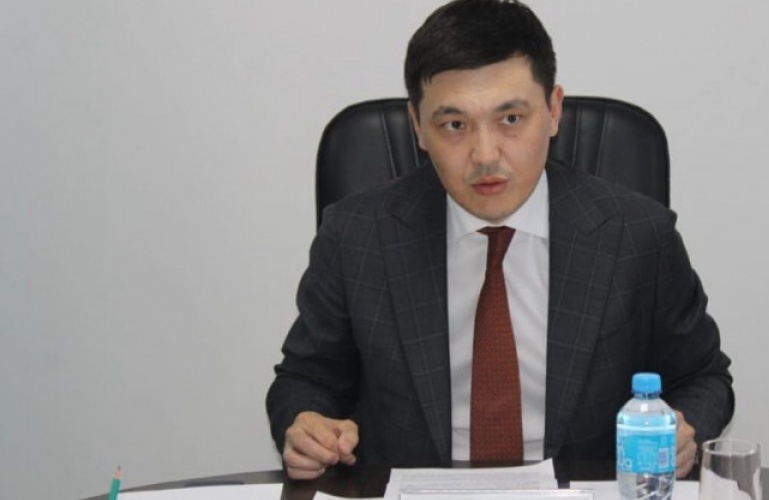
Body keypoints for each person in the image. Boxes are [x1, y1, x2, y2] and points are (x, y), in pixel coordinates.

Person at [266, 0, 733, 481]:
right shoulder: (356, 237)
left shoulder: (638, 235)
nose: (485, 155)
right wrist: (305, 425)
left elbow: (702, 377)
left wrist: (684, 429)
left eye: (510, 119)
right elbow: (305, 379)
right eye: (454, 125)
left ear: (553, 111)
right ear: (417, 127)